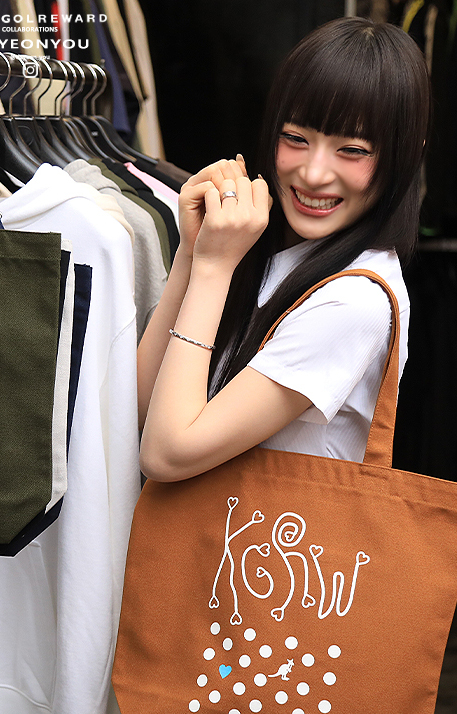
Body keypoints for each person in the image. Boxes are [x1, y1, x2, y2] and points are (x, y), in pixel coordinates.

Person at [137, 17, 430, 482]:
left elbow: (165, 455)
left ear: (406, 155)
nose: (313, 174)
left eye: (352, 150)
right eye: (296, 139)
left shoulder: (354, 302)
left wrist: (212, 267)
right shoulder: (267, 254)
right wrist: (191, 256)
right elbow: (140, 412)